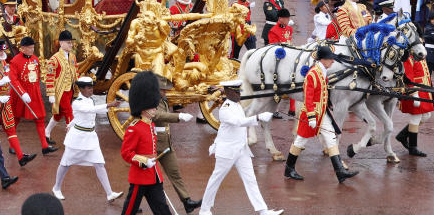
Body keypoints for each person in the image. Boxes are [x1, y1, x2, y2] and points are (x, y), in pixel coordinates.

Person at [196, 80, 281, 215]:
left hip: (241, 150)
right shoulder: (225, 108)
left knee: (250, 179)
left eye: (239, 91)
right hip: (227, 151)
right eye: (236, 92)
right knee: (216, 179)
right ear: (229, 92)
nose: (239, 94)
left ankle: (263, 210)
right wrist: (258, 117)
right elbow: (239, 122)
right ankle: (204, 210)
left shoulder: (235, 104)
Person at [283, 45, 358, 183]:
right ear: (323, 60)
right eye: (330, 59)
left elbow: (323, 92)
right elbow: (309, 97)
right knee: (300, 140)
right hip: (311, 114)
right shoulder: (313, 74)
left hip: (322, 112)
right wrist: (311, 116)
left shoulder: (322, 71)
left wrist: (328, 103)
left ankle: (340, 171)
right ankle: (289, 168)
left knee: (330, 137)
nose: (333, 61)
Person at [51, 76, 122, 202]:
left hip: (91, 138)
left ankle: (109, 193)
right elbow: (88, 110)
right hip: (77, 139)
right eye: (89, 88)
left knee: (99, 164)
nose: (91, 90)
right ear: (82, 89)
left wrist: (70, 124)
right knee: (65, 164)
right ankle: (56, 188)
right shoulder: (77, 102)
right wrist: (109, 104)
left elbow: (80, 116)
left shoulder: (90, 100)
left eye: (91, 87)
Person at [0, 38, 37, 166]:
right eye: (0, 51)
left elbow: (8, 74)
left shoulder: (3, 61)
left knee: (10, 129)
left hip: (5, 100)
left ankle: (21, 157)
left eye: (3, 50)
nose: (2, 52)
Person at [120, 70, 171, 215]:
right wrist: (143, 161)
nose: (155, 108)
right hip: (140, 176)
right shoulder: (134, 128)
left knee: (162, 209)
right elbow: (126, 153)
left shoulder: (151, 125)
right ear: (143, 108)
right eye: (152, 106)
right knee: (129, 210)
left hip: (154, 175)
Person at [152, 74, 200, 213]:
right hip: (153, 143)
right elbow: (157, 115)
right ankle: (132, 204)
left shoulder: (163, 99)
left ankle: (186, 201)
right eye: (163, 89)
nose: (165, 92)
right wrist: (178, 116)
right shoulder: (151, 100)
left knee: (174, 173)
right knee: (143, 181)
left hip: (166, 143)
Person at [9, 35, 56, 155]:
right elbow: (13, 80)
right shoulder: (15, 61)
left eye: (32, 47)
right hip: (20, 95)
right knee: (15, 119)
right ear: (22, 48)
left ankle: (45, 146)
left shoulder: (35, 59)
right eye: (29, 48)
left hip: (34, 93)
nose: (32, 50)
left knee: (40, 118)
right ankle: (12, 145)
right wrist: (22, 93)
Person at [395, 53, 434, 157]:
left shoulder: (417, 52)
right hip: (415, 89)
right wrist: (414, 94)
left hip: (424, 87)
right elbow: (408, 75)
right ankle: (413, 147)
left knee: (427, 115)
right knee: (416, 117)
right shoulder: (408, 56)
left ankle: (402, 135)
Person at [44, 30, 78, 144]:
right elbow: (49, 77)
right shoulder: (54, 59)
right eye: (68, 43)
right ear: (61, 43)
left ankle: (46, 133)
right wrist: (51, 94)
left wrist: (79, 87)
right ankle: (71, 140)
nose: (71, 45)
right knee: (69, 113)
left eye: (71, 42)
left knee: (58, 115)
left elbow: (76, 72)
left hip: (70, 90)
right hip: (60, 91)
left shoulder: (72, 57)